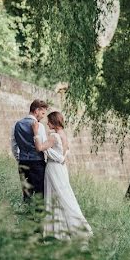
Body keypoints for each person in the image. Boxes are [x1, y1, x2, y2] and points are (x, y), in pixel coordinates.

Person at [43, 111, 93, 240]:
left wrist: (38, 138)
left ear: (54, 122)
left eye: (49, 121)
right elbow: (65, 153)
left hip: (54, 167)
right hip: (62, 169)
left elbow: (42, 148)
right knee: (63, 195)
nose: (47, 123)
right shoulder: (63, 135)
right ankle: (64, 228)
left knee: (55, 195)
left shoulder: (54, 136)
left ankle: (57, 230)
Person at [11, 99, 55, 202]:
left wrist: (21, 159)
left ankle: (27, 217)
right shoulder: (39, 126)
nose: (43, 116)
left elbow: (14, 146)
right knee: (40, 194)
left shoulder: (16, 125)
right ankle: (39, 217)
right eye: (42, 113)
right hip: (37, 164)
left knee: (27, 194)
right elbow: (43, 147)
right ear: (36, 111)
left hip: (23, 163)